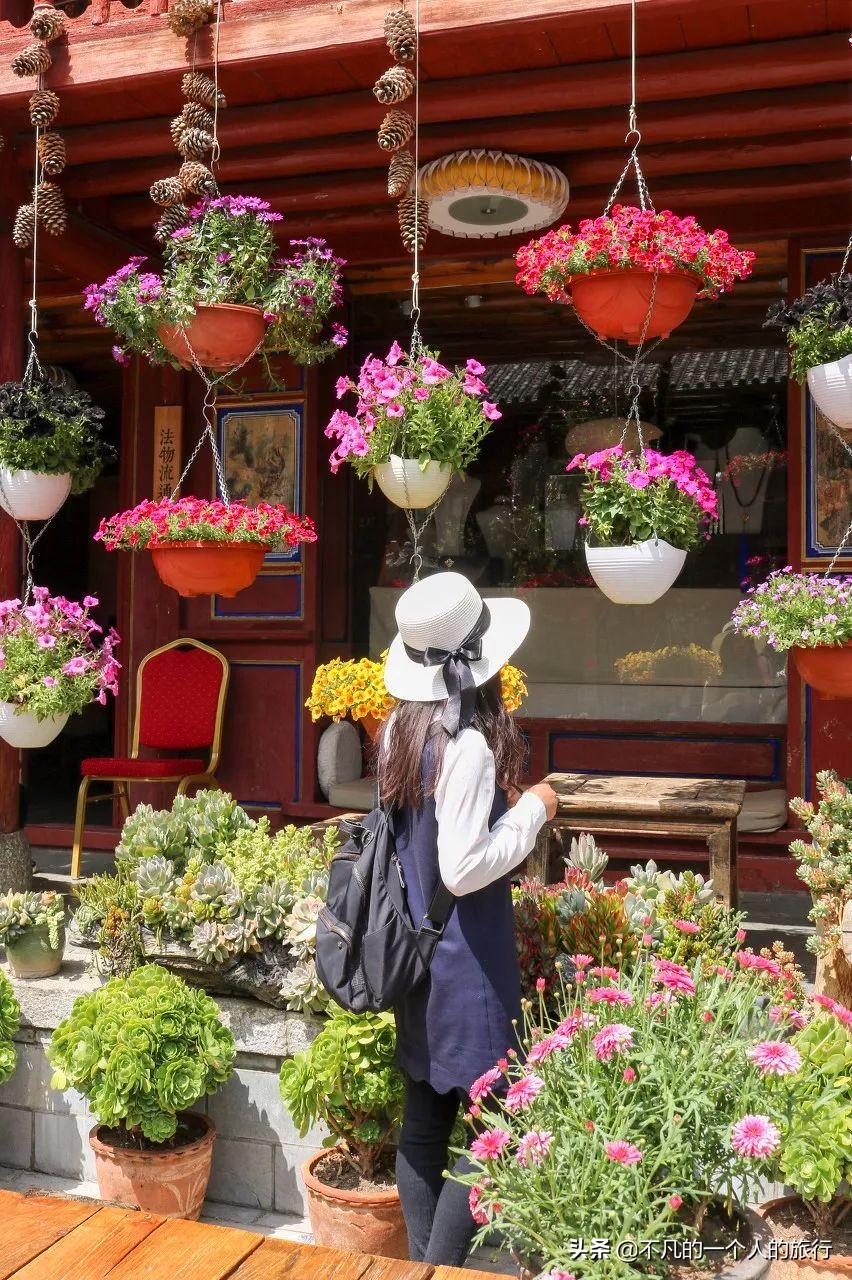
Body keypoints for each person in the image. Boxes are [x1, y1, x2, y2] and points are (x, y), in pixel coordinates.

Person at [378, 571, 558, 1267]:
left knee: (426, 1122)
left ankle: (422, 1265)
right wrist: (534, 808)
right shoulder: (471, 745)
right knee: (501, 1125)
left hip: (416, 948)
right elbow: (464, 867)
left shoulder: (402, 726)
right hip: (466, 958)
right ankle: (440, 1268)